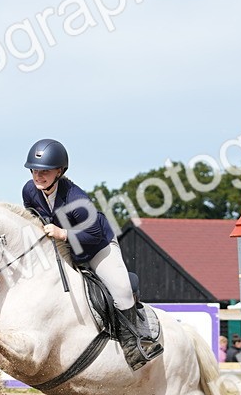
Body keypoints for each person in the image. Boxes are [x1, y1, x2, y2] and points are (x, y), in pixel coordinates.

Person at [21, 138, 162, 370]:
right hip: (63, 245)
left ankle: (134, 345)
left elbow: (94, 235)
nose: (38, 176)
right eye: (34, 170)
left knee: (122, 290)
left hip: (97, 246)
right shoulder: (30, 191)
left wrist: (63, 233)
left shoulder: (76, 198)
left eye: (44, 171)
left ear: (60, 171)